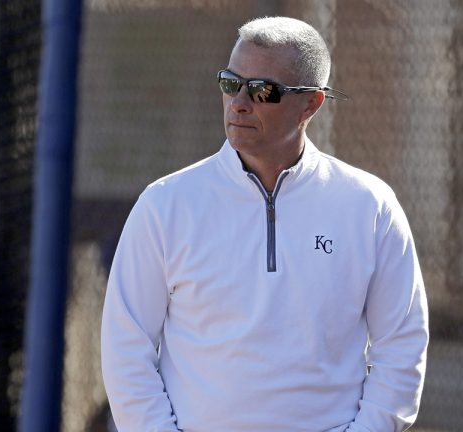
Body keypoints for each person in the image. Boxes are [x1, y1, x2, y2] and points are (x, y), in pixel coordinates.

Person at [101, 16, 428, 432]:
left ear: (311, 103)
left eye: (262, 91)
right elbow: (125, 347)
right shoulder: (164, 206)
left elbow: (401, 346)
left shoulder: (371, 207)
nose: (239, 101)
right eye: (229, 83)